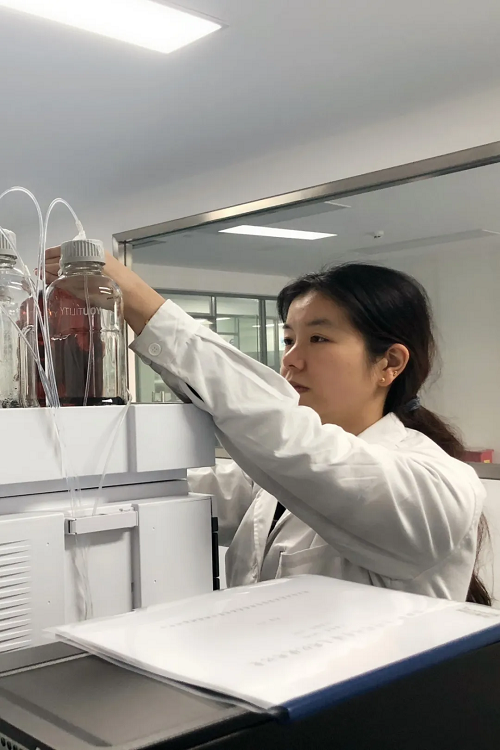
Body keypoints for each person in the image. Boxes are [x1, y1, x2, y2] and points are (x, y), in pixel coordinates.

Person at [45, 248, 490, 604]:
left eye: (318, 338)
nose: (291, 360)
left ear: (389, 362)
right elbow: (159, 492)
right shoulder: (261, 486)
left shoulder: (440, 485)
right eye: (289, 339)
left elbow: (285, 435)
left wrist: (138, 300)